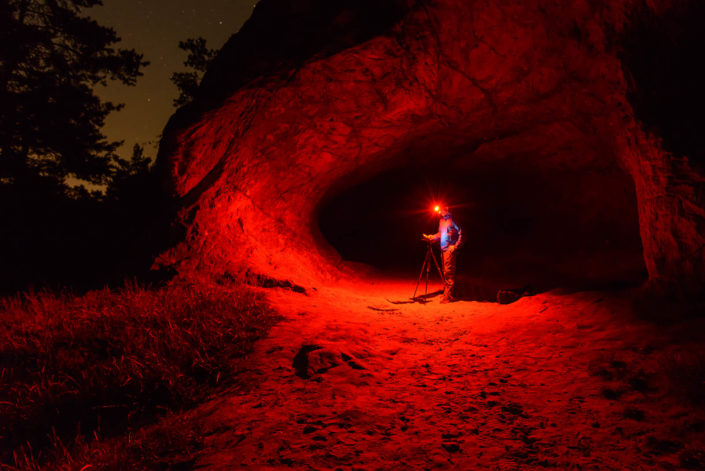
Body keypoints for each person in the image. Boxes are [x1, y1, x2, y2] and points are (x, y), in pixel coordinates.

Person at [423, 205, 462, 303]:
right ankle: (447, 294)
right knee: (445, 272)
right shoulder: (441, 221)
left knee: (448, 273)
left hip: (449, 249)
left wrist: (455, 246)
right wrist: (432, 237)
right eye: (439, 211)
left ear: (446, 209)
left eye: (441, 210)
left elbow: (462, 233)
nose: (439, 212)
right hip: (443, 249)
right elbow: (440, 234)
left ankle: (448, 297)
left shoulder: (453, 220)